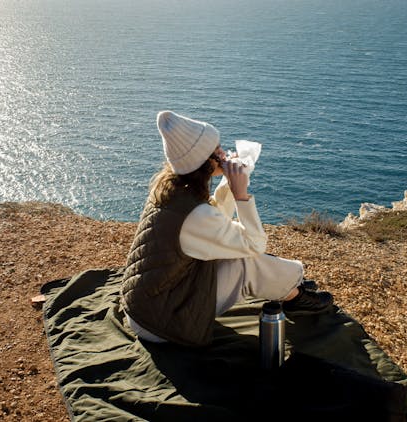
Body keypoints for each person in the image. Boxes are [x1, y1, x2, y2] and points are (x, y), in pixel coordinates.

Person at [120, 111, 334, 347]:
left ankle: (291, 285)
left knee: (233, 254)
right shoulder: (194, 214)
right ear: (204, 162)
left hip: (148, 306)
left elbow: (214, 224)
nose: (223, 154)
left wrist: (228, 184)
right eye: (217, 150)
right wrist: (241, 194)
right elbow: (254, 244)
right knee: (246, 263)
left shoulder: (173, 188)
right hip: (163, 321)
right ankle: (295, 296)